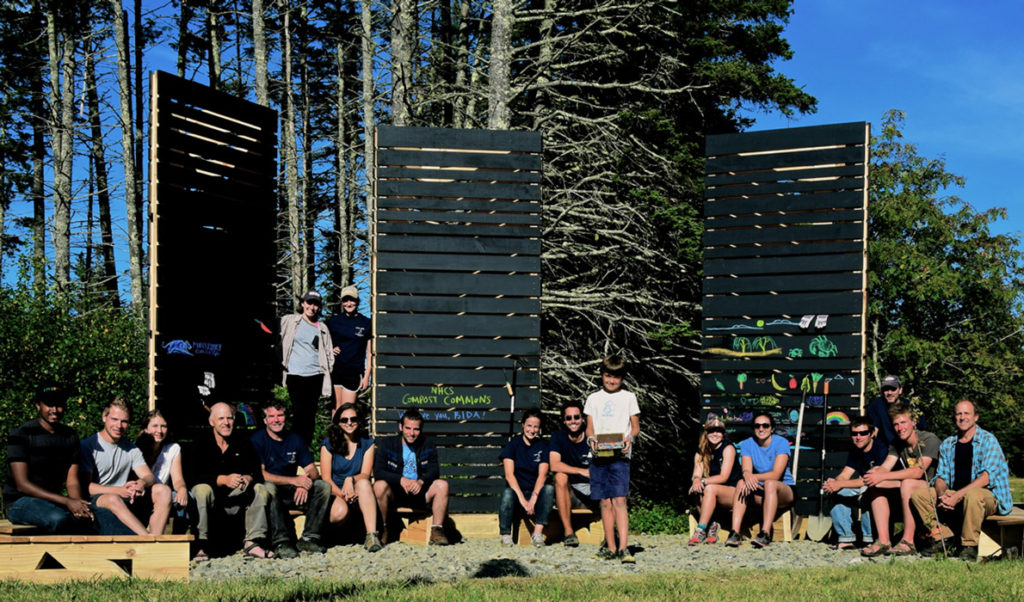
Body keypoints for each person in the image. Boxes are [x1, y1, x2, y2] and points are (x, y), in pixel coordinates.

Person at [910, 400, 1013, 561]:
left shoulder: (988, 440)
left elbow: (986, 478)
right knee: (920, 495)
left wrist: (957, 496)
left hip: (988, 496)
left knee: (973, 495)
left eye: (967, 413)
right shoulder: (948, 444)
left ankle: (969, 546)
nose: (962, 417)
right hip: (957, 494)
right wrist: (942, 494)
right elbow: (941, 477)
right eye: (959, 413)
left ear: (976, 417)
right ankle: (944, 538)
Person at [3, 382, 95, 534]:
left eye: (59, 405)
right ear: (38, 406)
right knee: (58, 519)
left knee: (96, 517)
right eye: (49, 404)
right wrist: (67, 501)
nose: (54, 410)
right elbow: (22, 485)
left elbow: (71, 481)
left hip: (53, 501)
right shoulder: (21, 434)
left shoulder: (70, 436)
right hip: (19, 502)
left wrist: (79, 506)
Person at [191, 401, 273, 561]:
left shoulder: (242, 442)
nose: (226, 423)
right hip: (211, 498)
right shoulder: (200, 443)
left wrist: (248, 478)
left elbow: (257, 472)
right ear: (211, 421)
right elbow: (193, 475)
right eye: (221, 418)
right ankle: (201, 545)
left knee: (261, 489)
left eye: (229, 418)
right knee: (201, 489)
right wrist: (222, 480)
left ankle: (253, 541)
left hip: (236, 498)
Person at [251, 401, 332, 557]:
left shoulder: (295, 439)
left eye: (280, 415)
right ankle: (281, 542)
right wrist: (294, 481)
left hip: (294, 492)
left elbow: (313, 471)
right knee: (269, 486)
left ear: (285, 418)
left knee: (323, 486)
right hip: (270, 492)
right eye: (271, 416)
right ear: (265, 420)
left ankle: (309, 538)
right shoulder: (257, 440)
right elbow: (261, 475)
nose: (276, 420)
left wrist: (305, 483)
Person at [860, 402, 939, 557]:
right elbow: (886, 467)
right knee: (877, 482)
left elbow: (918, 472)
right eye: (896, 424)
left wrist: (882, 475)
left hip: (931, 489)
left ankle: (908, 541)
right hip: (908, 488)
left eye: (903, 422)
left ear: (914, 422)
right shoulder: (897, 444)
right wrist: (876, 473)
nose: (899, 428)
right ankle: (883, 540)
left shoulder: (929, 439)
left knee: (907, 483)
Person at [80, 398, 170, 536]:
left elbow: (149, 476)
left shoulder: (131, 449)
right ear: (104, 417)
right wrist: (118, 490)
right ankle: (147, 539)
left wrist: (141, 483)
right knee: (113, 498)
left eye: (124, 421)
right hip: (98, 499)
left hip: (126, 498)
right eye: (114, 419)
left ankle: (157, 536)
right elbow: (86, 486)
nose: (119, 426)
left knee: (163, 490)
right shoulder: (89, 446)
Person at [584, 354, 641, 563]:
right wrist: (590, 438)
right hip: (599, 455)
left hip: (620, 456)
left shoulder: (629, 397)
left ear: (622, 378)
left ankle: (624, 547)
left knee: (619, 499)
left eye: (616, 377)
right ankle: (610, 547)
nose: (611, 381)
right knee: (605, 502)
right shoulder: (593, 398)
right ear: (602, 375)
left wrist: (629, 439)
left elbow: (635, 427)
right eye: (608, 376)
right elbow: (589, 425)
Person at [373, 408, 450, 546]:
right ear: (400, 427)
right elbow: (379, 471)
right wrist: (400, 479)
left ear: (420, 430)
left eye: (416, 429)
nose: (412, 433)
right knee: (379, 486)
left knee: (442, 485)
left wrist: (421, 481)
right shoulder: (387, 444)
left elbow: (434, 470)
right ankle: (382, 528)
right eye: (408, 428)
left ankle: (437, 530)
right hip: (395, 493)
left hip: (419, 493)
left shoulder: (428, 445)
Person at [726, 412, 795, 548]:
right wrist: (746, 476)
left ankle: (765, 533)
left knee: (770, 483)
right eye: (757, 426)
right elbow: (746, 470)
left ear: (772, 428)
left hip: (783, 490)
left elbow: (776, 475)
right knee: (740, 483)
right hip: (761, 490)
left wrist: (751, 477)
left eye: (765, 425)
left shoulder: (781, 443)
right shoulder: (747, 444)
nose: (761, 429)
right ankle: (735, 532)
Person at [320, 403, 381, 552]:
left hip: (357, 488)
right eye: (344, 420)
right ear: (338, 423)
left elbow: (365, 474)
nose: (349, 423)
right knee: (339, 512)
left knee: (365, 483)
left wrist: (350, 480)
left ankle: (372, 536)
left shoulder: (367, 443)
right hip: (336, 491)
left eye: (353, 419)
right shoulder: (328, 444)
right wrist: (343, 494)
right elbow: (326, 478)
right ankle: (330, 535)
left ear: (359, 420)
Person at [822, 416, 887, 549]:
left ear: (872, 433)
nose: (858, 437)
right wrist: (834, 483)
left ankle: (869, 538)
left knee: (868, 491)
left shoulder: (881, 449)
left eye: (863, 433)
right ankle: (846, 538)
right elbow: (845, 474)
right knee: (835, 492)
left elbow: (869, 479)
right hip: (864, 486)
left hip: (883, 489)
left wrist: (840, 484)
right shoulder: (855, 450)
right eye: (854, 433)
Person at [280, 290, 334, 447]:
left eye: (316, 304)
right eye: (309, 302)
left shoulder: (322, 327)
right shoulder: (290, 321)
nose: (312, 307)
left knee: (310, 416)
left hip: (315, 376)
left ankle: (305, 452)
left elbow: (329, 352)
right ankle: (294, 451)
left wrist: (326, 370)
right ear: (303, 304)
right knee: (298, 414)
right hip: (295, 375)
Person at [498, 408, 555, 548]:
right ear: (523, 425)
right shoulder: (513, 445)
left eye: (536, 426)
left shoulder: (543, 446)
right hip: (517, 492)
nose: (532, 430)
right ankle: (505, 535)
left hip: (536, 492)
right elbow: (509, 475)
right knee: (506, 493)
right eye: (529, 425)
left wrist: (533, 499)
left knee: (548, 489)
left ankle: (537, 533)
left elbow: (543, 475)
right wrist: (523, 501)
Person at [549, 402, 598, 547]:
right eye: (569, 418)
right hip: (572, 492)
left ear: (582, 419)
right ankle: (569, 532)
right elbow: (554, 464)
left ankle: (612, 533)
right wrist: (581, 471)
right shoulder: (558, 437)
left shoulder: (593, 438)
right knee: (560, 476)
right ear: (564, 421)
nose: (573, 421)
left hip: (594, 490)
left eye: (576, 417)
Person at [687, 417, 742, 546]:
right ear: (706, 433)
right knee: (695, 490)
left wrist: (702, 480)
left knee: (709, 488)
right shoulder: (702, 450)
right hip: (712, 491)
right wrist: (696, 480)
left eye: (719, 431)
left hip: (733, 491)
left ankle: (700, 529)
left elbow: (724, 477)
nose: (715, 434)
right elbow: (697, 473)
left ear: (723, 434)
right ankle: (712, 525)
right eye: (711, 431)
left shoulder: (728, 448)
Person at [135, 409, 190, 531]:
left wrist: (182, 488)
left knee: (184, 497)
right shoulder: (136, 449)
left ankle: (178, 538)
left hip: (162, 493)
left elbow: (178, 479)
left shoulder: (172, 449)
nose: (159, 431)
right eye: (155, 426)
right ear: (146, 429)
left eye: (163, 426)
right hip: (142, 492)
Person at [325, 285, 372, 411]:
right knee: (336, 411)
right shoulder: (333, 322)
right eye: (345, 300)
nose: (349, 303)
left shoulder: (366, 323)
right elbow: (321, 341)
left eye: (352, 300)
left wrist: (367, 376)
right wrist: (330, 348)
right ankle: (334, 432)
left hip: (354, 372)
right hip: (336, 371)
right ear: (342, 302)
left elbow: (370, 352)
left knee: (347, 411)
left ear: (357, 301)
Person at [865, 375, 909, 449]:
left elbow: (918, 431)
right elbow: (873, 431)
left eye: (893, 389)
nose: (889, 393)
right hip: (883, 449)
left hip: (905, 447)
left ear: (900, 390)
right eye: (886, 389)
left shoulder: (908, 406)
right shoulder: (877, 405)